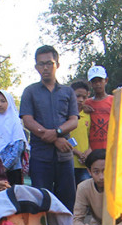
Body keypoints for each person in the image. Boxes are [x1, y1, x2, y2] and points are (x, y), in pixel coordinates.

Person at [20, 45, 78, 211]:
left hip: (64, 156)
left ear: (57, 65)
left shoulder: (68, 92)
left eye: (49, 63)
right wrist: (55, 139)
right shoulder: (30, 92)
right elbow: (28, 121)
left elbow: (74, 121)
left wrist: (57, 133)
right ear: (36, 67)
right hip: (40, 157)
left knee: (67, 203)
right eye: (41, 64)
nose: (45, 68)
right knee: (40, 202)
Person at [0, 89, 27, 185]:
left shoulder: (15, 121)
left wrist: (4, 167)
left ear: (9, 102)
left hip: (12, 170)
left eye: (3, 101)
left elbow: (18, 148)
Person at [84, 65, 113, 152]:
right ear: (90, 84)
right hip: (92, 150)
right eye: (94, 81)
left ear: (106, 80)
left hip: (110, 148)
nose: (97, 84)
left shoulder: (114, 101)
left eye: (100, 80)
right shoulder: (86, 103)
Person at [69, 81, 92, 185]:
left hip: (84, 164)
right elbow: (63, 138)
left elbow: (91, 137)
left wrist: (87, 152)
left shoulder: (88, 115)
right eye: (77, 96)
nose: (81, 100)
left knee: (85, 192)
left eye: (84, 97)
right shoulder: (65, 115)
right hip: (69, 162)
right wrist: (77, 153)